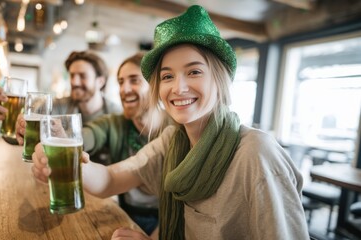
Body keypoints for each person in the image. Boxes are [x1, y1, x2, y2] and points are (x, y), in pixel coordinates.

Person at [32, 5, 310, 240]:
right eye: (167, 76)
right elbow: (110, 179)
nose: (179, 88)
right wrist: (68, 160)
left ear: (219, 79)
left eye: (194, 71)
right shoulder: (172, 141)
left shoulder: (256, 153)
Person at [82, 52, 168, 235]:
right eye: (121, 82)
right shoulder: (114, 123)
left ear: (155, 85)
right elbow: (88, 135)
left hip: (167, 222)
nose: (124, 89)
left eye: (134, 80)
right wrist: (58, 135)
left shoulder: (175, 129)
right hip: (125, 216)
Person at [0, 50, 122, 163]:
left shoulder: (116, 114)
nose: (75, 81)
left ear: (100, 81)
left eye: (82, 76)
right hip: (60, 179)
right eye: (72, 75)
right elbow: (20, 135)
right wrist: (7, 117)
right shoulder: (56, 106)